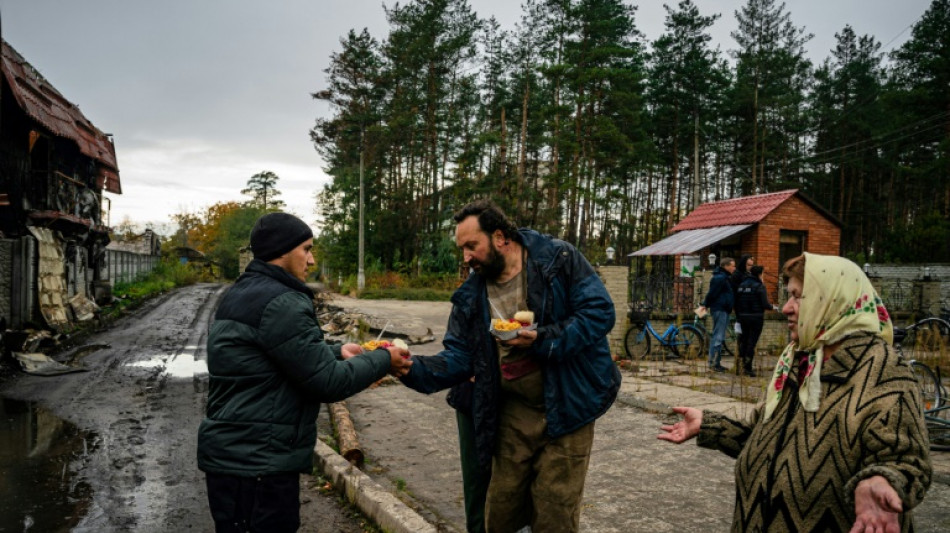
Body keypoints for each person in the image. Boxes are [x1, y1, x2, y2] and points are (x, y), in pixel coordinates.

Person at [658, 253, 931, 532]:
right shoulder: (798, 360)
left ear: (833, 301)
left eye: (799, 297)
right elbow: (765, 438)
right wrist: (712, 426)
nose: (786, 308)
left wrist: (881, 482)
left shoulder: (883, 371)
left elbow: (907, 461)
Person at [401, 199, 620, 532]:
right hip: (511, 414)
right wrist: (406, 367)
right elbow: (459, 357)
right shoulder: (470, 297)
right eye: (462, 249)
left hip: (568, 404)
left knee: (554, 514)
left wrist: (543, 338)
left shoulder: (557, 260)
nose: (466, 257)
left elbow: (599, 313)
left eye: (472, 246)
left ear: (500, 237)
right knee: (500, 511)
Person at [197, 212, 412, 533]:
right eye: (306, 249)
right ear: (283, 250)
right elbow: (328, 382)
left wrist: (337, 351)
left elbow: (275, 355)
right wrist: (383, 361)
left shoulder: (243, 292)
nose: (311, 260)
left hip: (238, 460)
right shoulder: (282, 301)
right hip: (258, 466)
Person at [698, 257, 736, 373]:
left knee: (719, 335)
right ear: (726, 266)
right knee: (718, 336)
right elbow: (712, 293)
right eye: (732, 266)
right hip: (720, 309)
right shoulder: (720, 278)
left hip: (723, 309)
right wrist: (705, 304)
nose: (734, 268)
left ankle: (715, 362)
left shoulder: (724, 277)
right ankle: (714, 362)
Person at [733, 265, 771, 377]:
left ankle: (739, 367)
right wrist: (771, 307)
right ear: (760, 274)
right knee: (751, 343)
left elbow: (737, 302)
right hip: (756, 317)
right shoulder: (760, 286)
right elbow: (765, 304)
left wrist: (739, 315)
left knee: (743, 341)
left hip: (743, 317)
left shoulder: (741, 285)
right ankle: (748, 368)